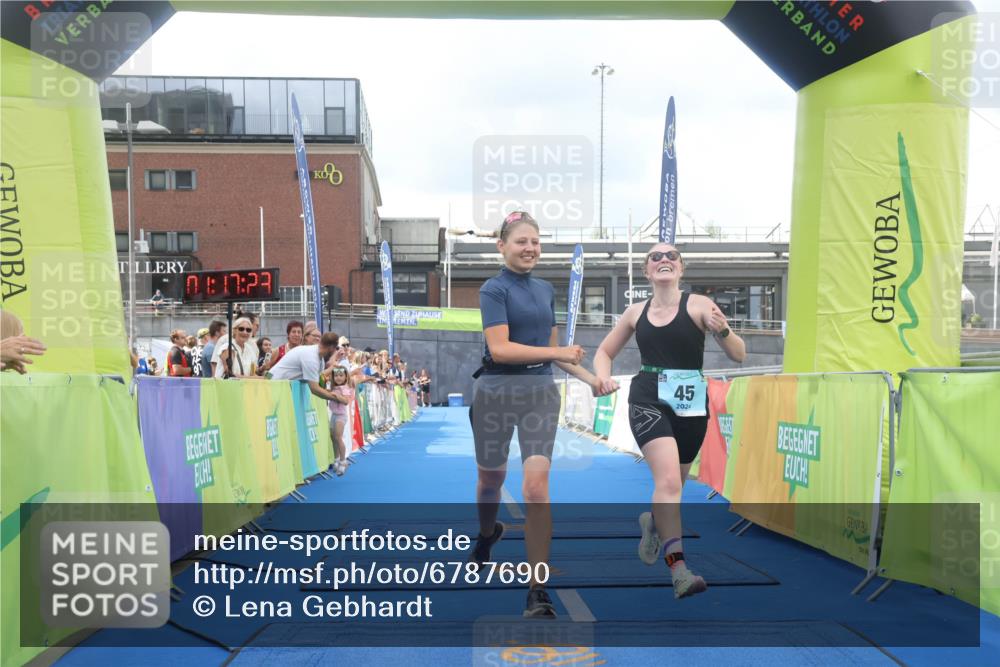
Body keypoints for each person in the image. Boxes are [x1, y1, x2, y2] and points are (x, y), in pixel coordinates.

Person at [468, 210, 611, 618]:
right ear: (502, 246)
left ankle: (537, 589)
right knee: (490, 480)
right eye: (520, 242)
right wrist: (558, 352)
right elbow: (501, 349)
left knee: (535, 489)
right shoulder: (492, 290)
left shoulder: (547, 289)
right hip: (495, 391)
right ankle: (486, 533)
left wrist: (589, 378)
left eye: (535, 241)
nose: (530, 248)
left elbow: (556, 354)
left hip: (538, 394)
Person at [594, 243, 746, 599]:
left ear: (681, 268)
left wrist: (722, 330)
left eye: (671, 256)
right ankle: (679, 570)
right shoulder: (635, 312)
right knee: (668, 484)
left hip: (690, 402)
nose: (664, 260)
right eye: (655, 257)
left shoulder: (699, 306)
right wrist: (603, 376)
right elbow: (604, 351)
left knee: (671, 489)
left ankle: (652, 523)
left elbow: (738, 354)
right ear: (647, 271)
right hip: (648, 397)